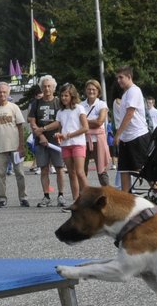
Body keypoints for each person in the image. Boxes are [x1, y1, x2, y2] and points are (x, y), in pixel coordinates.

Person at [0, 82, 28, 207]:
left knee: (20, 173)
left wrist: (21, 146)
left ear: (8, 93)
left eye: (4, 92)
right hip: (0, 148)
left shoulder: (14, 107)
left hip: (15, 147)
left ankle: (23, 197)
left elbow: (20, 127)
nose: (2, 94)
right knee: (1, 174)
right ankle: (2, 199)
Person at [27, 75, 63, 207]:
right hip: (40, 141)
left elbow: (59, 122)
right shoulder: (36, 103)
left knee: (59, 168)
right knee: (44, 169)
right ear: (41, 88)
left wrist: (43, 129)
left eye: (49, 86)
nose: (47, 89)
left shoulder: (59, 102)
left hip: (56, 139)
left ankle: (61, 195)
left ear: (53, 88)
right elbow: (31, 120)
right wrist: (40, 135)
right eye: (44, 86)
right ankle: (46, 196)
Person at [53, 82, 90, 210]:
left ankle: (88, 200)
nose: (63, 98)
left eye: (66, 95)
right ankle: (76, 201)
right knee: (71, 173)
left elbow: (85, 128)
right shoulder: (60, 112)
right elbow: (60, 128)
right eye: (62, 95)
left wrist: (68, 135)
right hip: (65, 145)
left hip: (78, 143)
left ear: (72, 96)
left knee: (80, 172)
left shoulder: (79, 108)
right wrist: (58, 134)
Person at [112, 65, 151, 188]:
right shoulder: (125, 94)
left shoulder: (134, 90)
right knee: (124, 169)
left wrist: (118, 134)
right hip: (126, 137)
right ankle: (126, 197)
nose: (118, 81)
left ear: (129, 77)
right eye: (117, 78)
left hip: (137, 135)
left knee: (142, 169)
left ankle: (156, 192)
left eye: (121, 77)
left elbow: (130, 113)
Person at [81, 78, 111, 186]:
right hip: (84, 140)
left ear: (98, 91)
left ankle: (107, 193)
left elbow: (99, 122)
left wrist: (85, 122)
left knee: (101, 169)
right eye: (89, 89)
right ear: (85, 90)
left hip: (98, 140)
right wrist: (90, 122)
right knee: (82, 169)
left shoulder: (102, 104)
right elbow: (78, 122)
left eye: (94, 89)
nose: (91, 91)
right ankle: (83, 192)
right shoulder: (81, 105)